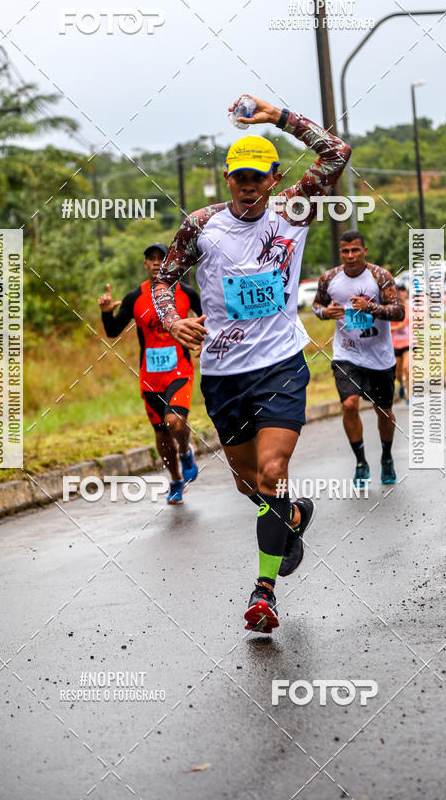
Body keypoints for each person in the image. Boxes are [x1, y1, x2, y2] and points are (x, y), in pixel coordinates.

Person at [151, 94, 350, 633]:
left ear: (273, 177)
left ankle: (264, 594)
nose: (247, 184)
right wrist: (171, 321)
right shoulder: (201, 226)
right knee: (251, 486)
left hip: (281, 364)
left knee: (271, 471)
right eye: (238, 176)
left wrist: (278, 117)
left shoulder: (294, 211)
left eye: (256, 176)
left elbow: (335, 152)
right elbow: (163, 280)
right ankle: (296, 515)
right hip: (223, 373)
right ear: (226, 177)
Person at [98, 242, 202, 504]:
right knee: (161, 435)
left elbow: (208, 318)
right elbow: (112, 332)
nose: (156, 263)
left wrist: (204, 343)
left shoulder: (186, 292)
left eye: (161, 258)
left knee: (175, 422)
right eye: (151, 259)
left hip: (180, 370)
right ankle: (176, 480)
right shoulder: (135, 297)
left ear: (170, 262)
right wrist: (106, 314)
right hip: (150, 377)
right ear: (145, 264)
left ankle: (186, 451)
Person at [312, 231, 404, 487]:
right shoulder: (329, 278)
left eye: (355, 250)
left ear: (365, 250)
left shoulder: (380, 276)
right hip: (347, 354)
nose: (350, 256)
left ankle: (386, 457)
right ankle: (361, 462)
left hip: (379, 357)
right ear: (340, 253)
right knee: (350, 404)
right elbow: (316, 305)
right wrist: (325, 312)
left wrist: (371, 307)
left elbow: (399, 312)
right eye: (345, 251)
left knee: (383, 411)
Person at [390, 284, 410, 402]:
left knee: (407, 368)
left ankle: (409, 396)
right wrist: (396, 328)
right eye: (399, 291)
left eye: (403, 291)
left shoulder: (410, 307)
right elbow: (388, 326)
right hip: (395, 343)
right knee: (397, 372)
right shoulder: (392, 308)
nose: (401, 294)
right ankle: (402, 385)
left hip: (409, 341)